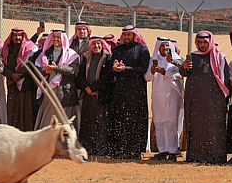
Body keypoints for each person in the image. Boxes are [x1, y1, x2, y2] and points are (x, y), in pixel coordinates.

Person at [182, 31, 231, 164]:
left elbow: (225, 80)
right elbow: (185, 73)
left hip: (214, 101)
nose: (202, 45)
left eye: (205, 42)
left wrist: (223, 99)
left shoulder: (219, 57)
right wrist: (184, 67)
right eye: (200, 42)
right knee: (196, 128)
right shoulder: (193, 56)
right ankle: (196, 156)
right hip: (195, 100)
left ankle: (215, 157)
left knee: (214, 128)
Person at [107, 25, 151, 159]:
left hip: (136, 91)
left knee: (135, 120)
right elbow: (111, 66)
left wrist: (125, 68)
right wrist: (114, 67)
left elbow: (143, 69)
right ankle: (119, 149)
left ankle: (135, 150)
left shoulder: (142, 50)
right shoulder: (118, 49)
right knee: (119, 118)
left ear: (134, 36)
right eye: (124, 35)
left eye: (129, 35)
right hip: (120, 90)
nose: (126, 37)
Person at [146, 37, 184, 161]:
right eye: (162, 46)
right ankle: (162, 150)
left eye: (167, 46)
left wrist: (165, 73)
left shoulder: (176, 60)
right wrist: (152, 72)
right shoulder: (153, 60)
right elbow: (147, 78)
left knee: (172, 123)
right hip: (158, 97)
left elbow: (180, 74)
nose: (165, 48)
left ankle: (173, 151)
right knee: (159, 122)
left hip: (173, 95)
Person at [34, 29, 80, 130]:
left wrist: (57, 68)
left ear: (63, 39)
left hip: (63, 91)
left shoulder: (72, 54)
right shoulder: (46, 53)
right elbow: (37, 68)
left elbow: (73, 71)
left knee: (62, 119)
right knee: (47, 116)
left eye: (58, 37)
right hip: (48, 90)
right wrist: (46, 71)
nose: (55, 39)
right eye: (54, 37)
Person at [77, 37, 113, 156]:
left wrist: (93, 88)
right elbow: (80, 76)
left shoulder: (108, 58)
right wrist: (86, 88)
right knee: (87, 122)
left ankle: (101, 148)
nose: (96, 46)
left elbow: (108, 77)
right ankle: (87, 147)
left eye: (98, 44)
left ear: (102, 45)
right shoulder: (86, 57)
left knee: (101, 122)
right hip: (87, 95)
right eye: (93, 44)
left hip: (100, 95)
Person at [1, 28, 38, 131]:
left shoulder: (29, 49)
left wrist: (20, 75)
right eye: (15, 36)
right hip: (12, 84)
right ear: (11, 37)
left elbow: (32, 65)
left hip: (26, 84)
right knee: (12, 111)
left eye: (19, 36)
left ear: (23, 37)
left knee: (26, 112)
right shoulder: (6, 49)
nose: (17, 38)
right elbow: (1, 66)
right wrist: (11, 75)